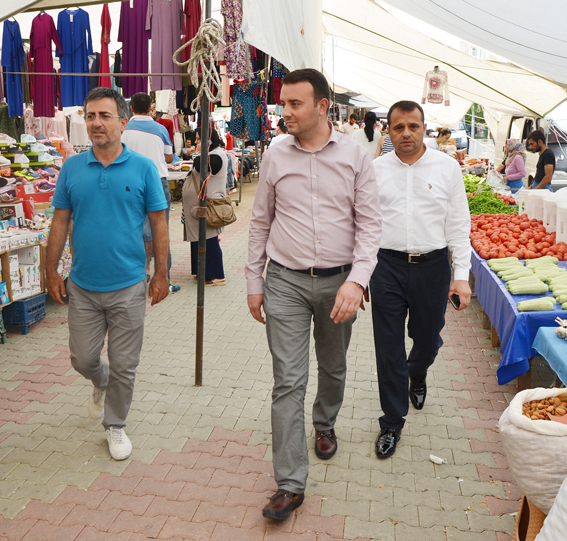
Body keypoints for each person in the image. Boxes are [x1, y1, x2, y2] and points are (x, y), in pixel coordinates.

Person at [246, 69, 382, 521]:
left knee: (334, 366)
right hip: (284, 280)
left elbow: (370, 227)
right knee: (287, 379)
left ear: (322, 107)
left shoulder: (355, 156)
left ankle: (324, 423)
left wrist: (357, 280)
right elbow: (260, 221)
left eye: (294, 105)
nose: (284, 113)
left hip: (339, 283)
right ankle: (289, 483)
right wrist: (254, 280)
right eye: (283, 104)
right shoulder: (274, 155)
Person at [46, 87, 169, 461]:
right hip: (82, 284)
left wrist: (161, 273)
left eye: (105, 115)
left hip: (129, 284)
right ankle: (100, 382)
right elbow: (60, 221)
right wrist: (50, 269)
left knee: (125, 364)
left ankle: (115, 426)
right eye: (90, 115)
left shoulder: (143, 169)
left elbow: (159, 223)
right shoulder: (71, 167)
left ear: (123, 121)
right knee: (82, 359)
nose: (96, 123)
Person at [370, 100, 471, 459]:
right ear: (389, 131)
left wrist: (461, 277)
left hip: (432, 268)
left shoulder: (446, 168)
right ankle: (392, 422)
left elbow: (459, 225)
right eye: (399, 127)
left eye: (413, 126)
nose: (406, 133)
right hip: (386, 267)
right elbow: (364, 225)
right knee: (387, 347)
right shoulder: (375, 169)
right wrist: (359, 273)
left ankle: (418, 372)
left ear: (424, 127)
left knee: (427, 339)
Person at [121, 92, 180, 293]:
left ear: (131, 109)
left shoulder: (124, 129)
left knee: (133, 229)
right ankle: (165, 279)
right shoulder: (161, 129)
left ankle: (139, 276)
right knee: (161, 230)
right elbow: (170, 157)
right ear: (151, 108)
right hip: (157, 181)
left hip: (130, 183)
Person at [182, 128, 227, 286]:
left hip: (208, 206)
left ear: (210, 140)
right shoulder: (211, 154)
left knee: (209, 240)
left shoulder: (217, 156)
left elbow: (202, 166)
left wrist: (199, 152)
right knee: (198, 239)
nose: (196, 142)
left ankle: (216, 275)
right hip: (198, 206)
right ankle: (201, 271)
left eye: (199, 139)